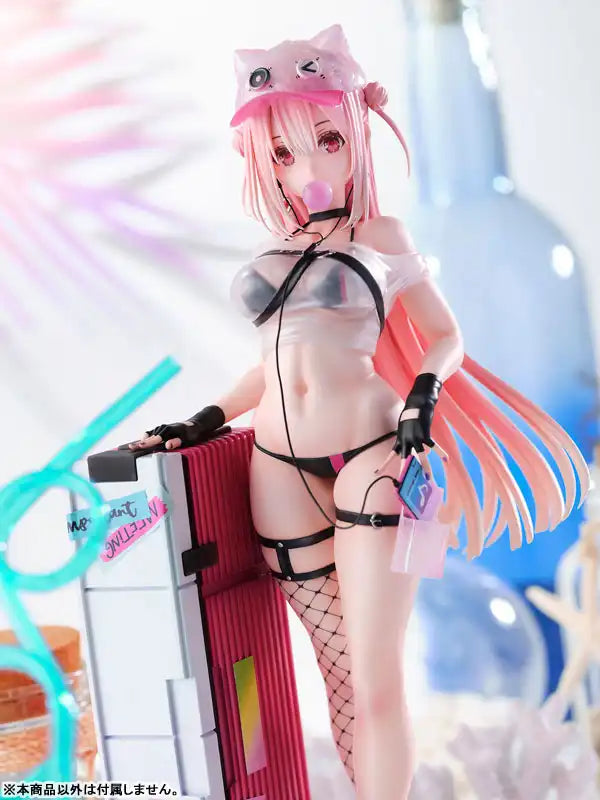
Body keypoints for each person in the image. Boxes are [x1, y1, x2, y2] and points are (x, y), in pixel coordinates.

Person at [128, 24, 590, 800]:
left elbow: (444, 336)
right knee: (338, 678)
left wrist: (422, 398)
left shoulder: (381, 235)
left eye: (328, 140)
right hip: (276, 465)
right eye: (284, 152)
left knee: (377, 682)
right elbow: (273, 365)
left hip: (374, 455)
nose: (308, 166)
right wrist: (204, 419)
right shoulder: (280, 245)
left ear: (357, 133)